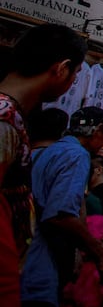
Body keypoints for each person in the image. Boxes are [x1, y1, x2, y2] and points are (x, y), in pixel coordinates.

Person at [0, 24, 87, 302]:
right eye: (76, 73)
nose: (73, 81)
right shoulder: (4, 121)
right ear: (61, 69)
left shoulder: (13, 118)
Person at [20, 106, 103, 306]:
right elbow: (61, 214)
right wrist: (101, 250)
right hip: (41, 263)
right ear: (99, 130)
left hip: (25, 255)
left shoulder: (53, 150)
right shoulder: (77, 155)